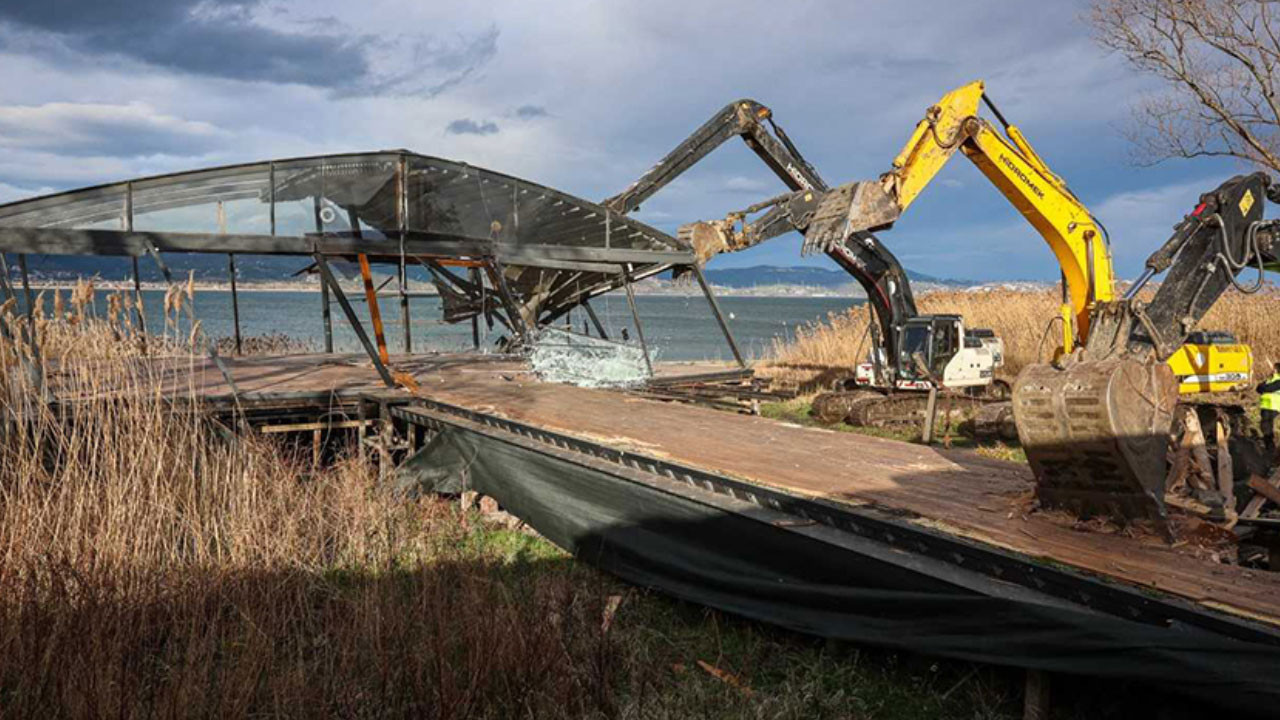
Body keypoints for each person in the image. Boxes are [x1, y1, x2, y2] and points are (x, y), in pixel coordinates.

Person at [1257, 361, 1280, 453]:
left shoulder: (1278, 380)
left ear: (1276, 370)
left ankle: (1271, 448)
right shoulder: (1269, 380)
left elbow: (1267, 388)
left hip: (1273, 407)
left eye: (1273, 368)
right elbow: (1258, 388)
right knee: (1264, 427)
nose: (1271, 370)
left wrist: (1264, 387)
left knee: (1267, 428)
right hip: (1265, 407)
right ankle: (1269, 447)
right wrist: (1264, 387)